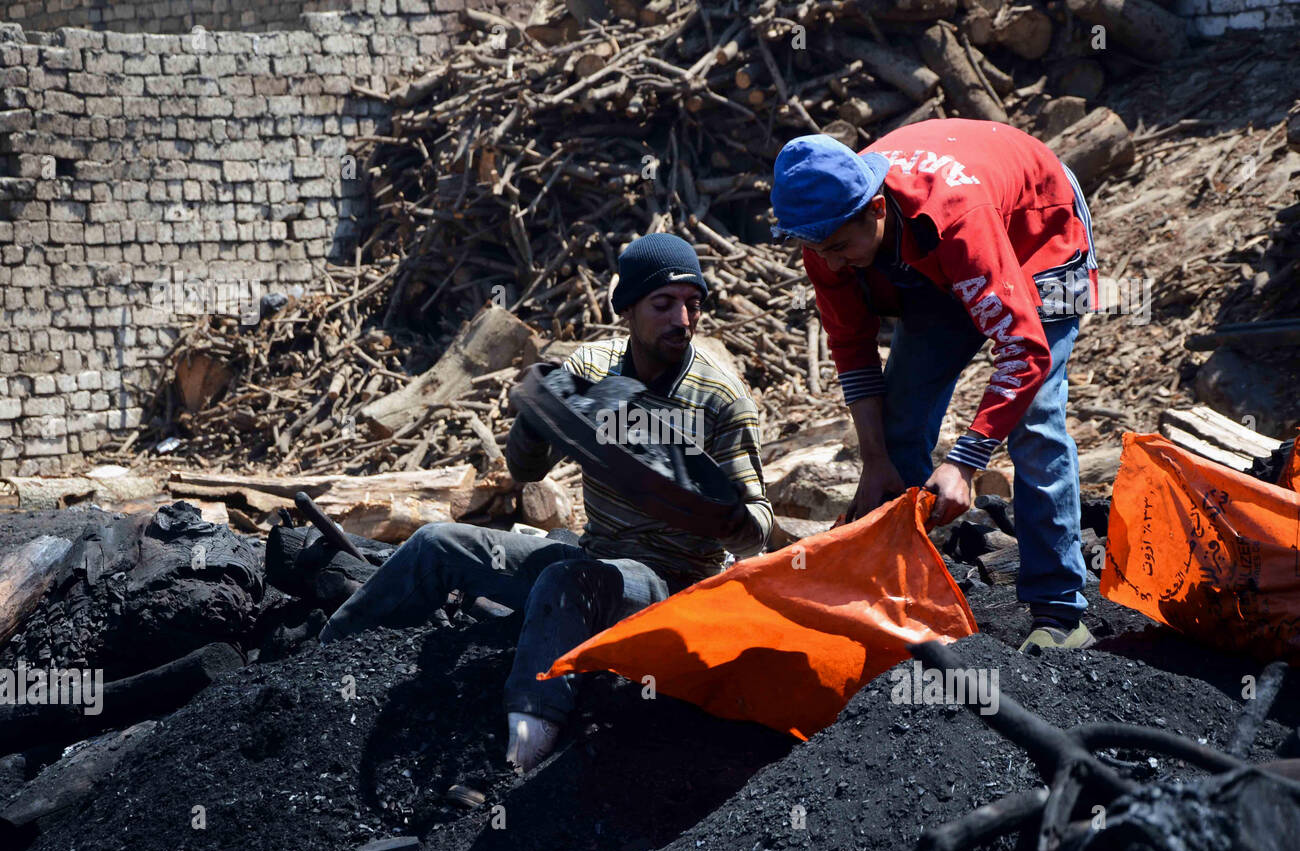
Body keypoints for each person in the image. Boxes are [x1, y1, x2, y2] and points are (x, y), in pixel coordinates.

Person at [318, 233, 773, 771]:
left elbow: (758, 526)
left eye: (692, 305)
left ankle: (521, 756)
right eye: (664, 303)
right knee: (437, 543)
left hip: (667, 583)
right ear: (627, 308)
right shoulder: (594, 370)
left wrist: (703, 508)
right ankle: (320, 663)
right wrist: (532, 424)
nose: (683, 319)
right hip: (594, 553)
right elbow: (527, 471)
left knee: (567, 584)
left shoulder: (719, 399)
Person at [770, 119, 1097, 652]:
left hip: (1036, 227)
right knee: (898, 437)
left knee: (1034, 423)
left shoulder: (956, 219)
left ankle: (1061, 615)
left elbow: (1024, 351)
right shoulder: (825, 232)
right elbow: (853, 349)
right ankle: (900, 605)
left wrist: (965, 462)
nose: (828, 263)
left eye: (837, 247)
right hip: (929, 257)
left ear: (875, 209)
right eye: (818, 250)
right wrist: (875, 458)